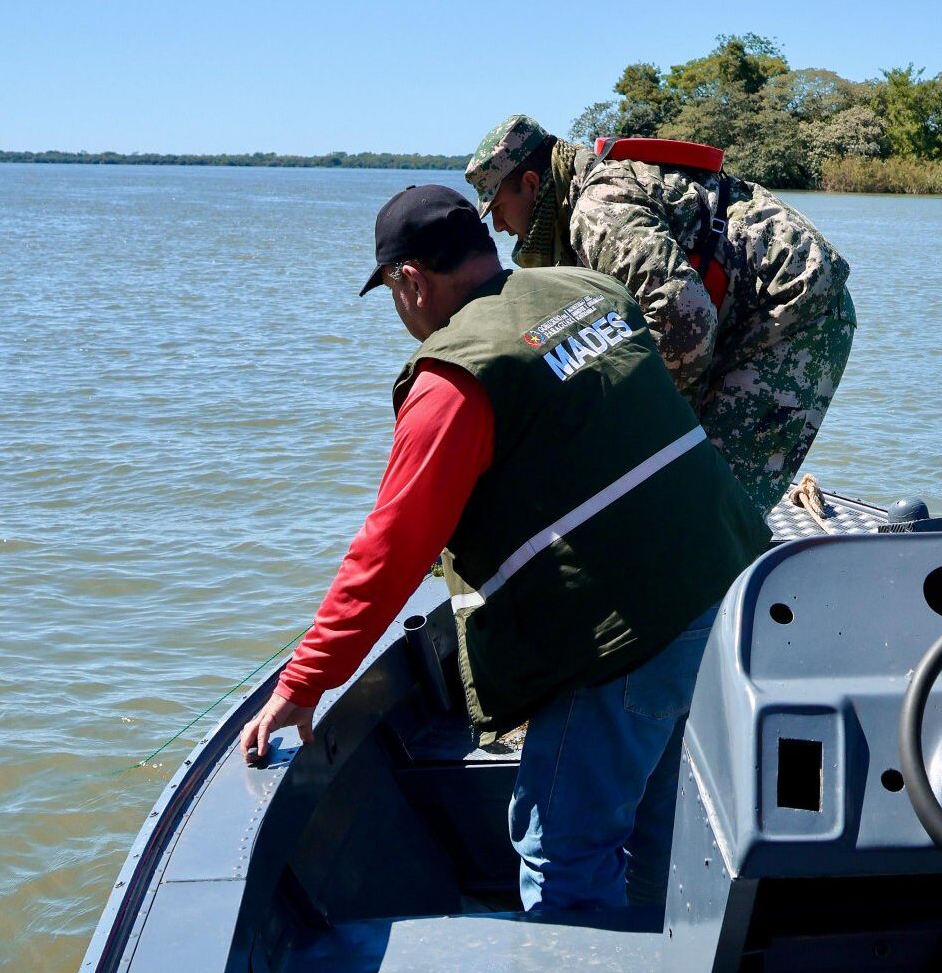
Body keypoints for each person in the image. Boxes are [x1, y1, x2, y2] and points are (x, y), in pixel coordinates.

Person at [239, 184, 770, 912]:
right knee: (657, 821)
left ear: (412, 282)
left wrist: (303, 684)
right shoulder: (591, 289)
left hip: (630, 634)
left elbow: (388, 552)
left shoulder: (454, 378)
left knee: (564, 854)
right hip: (731, 586)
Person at [463, 115, 856, 516]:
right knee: (676, 478)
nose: (498, 224)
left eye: (497, 206)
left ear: (530, 184)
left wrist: (637, 423)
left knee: (714, 507)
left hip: (796, 310)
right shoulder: (587, 198)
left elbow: (682, 321)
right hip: (748, 312)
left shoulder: (597, 211)